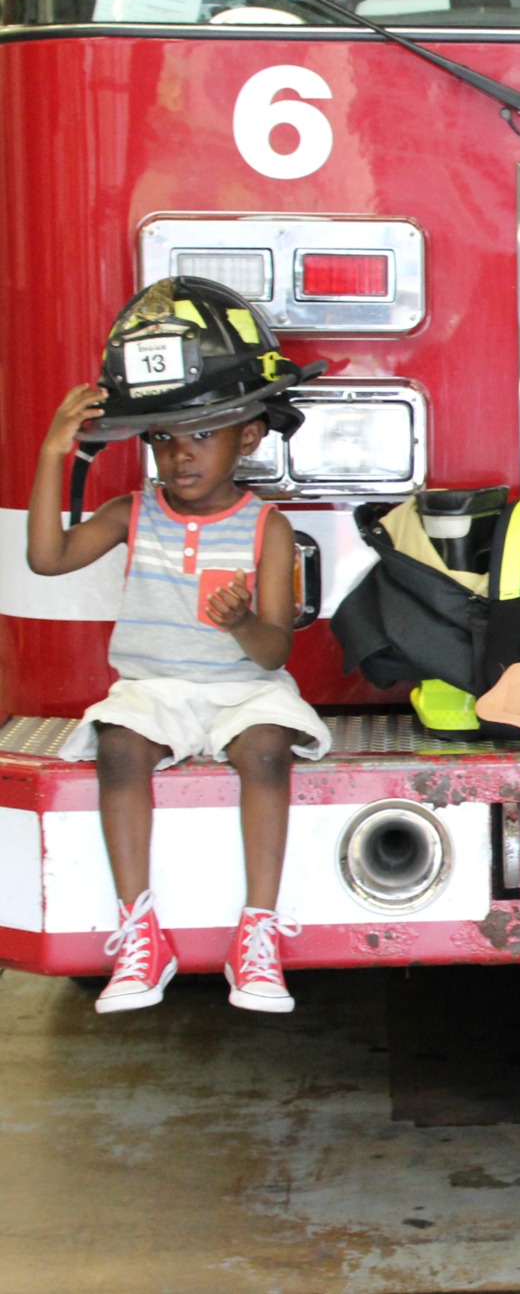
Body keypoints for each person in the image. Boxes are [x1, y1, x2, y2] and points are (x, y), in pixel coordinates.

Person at [26, 277, 331, 1016]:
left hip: (241, 687)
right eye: (162, 438)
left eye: (200, 435)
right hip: (154, 686)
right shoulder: (133, 513)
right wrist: (53, 452)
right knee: (119, 749)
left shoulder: (268, 529)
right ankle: (141, 932)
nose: (179, 455)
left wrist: (239, 624)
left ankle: (256, 933)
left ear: (248, 436)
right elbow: (47, 558)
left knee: (265, 748)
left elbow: (272, 655)